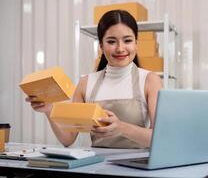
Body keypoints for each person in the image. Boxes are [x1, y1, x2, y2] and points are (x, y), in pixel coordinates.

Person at [26, 10, 163, 148]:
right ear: (101, 46)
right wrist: (49, 110)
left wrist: (121, 128)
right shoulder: (86, 83)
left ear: (136, 44)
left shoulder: (150, 81)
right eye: (111, 41)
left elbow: (159, 138)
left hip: (137, 167)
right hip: (96, 167)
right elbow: (68, 139)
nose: (120, 48)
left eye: (127, 40)